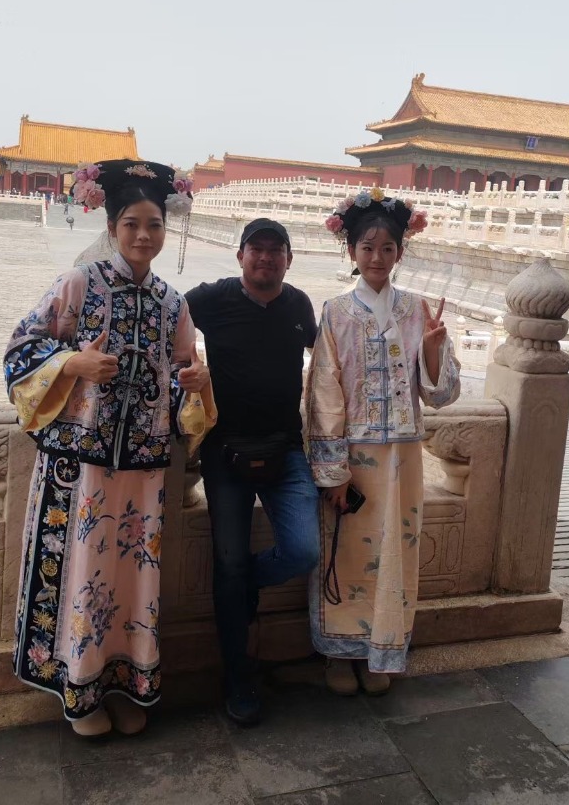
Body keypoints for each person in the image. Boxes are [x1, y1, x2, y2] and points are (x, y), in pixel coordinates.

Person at [4, 159, 208, 738]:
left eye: (154, 224)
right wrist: (74, 361)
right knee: (82, 577)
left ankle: (124, 683)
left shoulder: (174, 304)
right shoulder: (78, 284)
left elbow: (180, 380)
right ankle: (79, 692)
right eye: (131, 224)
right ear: (113, 225)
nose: (144, 235)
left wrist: (195, 383)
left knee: (130, 583)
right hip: (79, 467)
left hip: (142, 470)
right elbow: (20, 348)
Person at [305, 189, 460, 697]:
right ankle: (337, 652)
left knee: (395, 552)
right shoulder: (335, 313)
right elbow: (324, 393)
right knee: (344, 551)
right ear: (351, 251)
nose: (377, 257)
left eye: (387, 249)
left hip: (405, 459)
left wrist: (434, 351)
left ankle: (382, 649)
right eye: (367, 247)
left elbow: (439, 396)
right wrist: (331, 471)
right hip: (353, 459)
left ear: (400, 253)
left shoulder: (418, 312)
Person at [185, 218, 319, 726]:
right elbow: (166, 322)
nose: (265, 259)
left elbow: (327, 363)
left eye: (275, 251)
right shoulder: (212, 299)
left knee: (303, 550)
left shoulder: (299, 305)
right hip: (225, 453)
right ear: (239, 255)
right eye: (256, 250)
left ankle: (245, 589)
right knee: (230, 563)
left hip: (286, 450)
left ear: (289, 258)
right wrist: (188, 366)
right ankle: (238, 677)